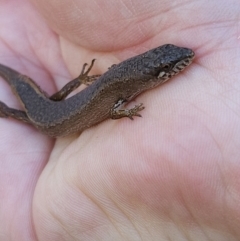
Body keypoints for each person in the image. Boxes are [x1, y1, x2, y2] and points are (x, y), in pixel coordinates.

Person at [0, 0, 239, 240]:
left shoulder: (122, 80)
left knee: (49, 98)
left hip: (53, 108)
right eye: (169, 66)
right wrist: (126, 113)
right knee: (16, 113)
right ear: (153, 76)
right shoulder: (121, 90)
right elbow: (114, 111)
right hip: (45, 122)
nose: (184, 58)